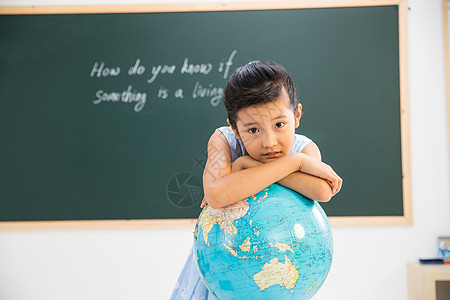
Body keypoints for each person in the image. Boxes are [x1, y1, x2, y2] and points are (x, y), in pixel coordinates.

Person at [170, 61, 342, 299]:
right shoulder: (223, 141)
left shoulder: (305, 149)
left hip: (279, 275)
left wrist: (246, 165)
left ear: (297, 115)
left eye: (279, 124)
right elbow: (217, 195)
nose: (269, 142)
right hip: (224, 271)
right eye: (253, 130)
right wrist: (294, 164)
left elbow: (322, 191)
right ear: (235, 128)